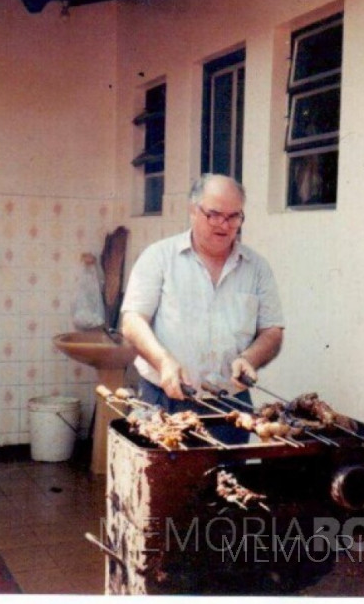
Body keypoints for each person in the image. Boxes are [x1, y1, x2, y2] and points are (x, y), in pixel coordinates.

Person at [120, 174, 285, 443]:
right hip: (163, 400)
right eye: (214, 214)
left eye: (234, 217)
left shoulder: (257, 268)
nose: (224, 225)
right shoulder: (159, 257)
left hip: (230, 407)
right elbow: (132, 321)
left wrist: (250, 358)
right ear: (193, 210)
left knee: (228, 484)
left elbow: (272, 331)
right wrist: (163, 362)